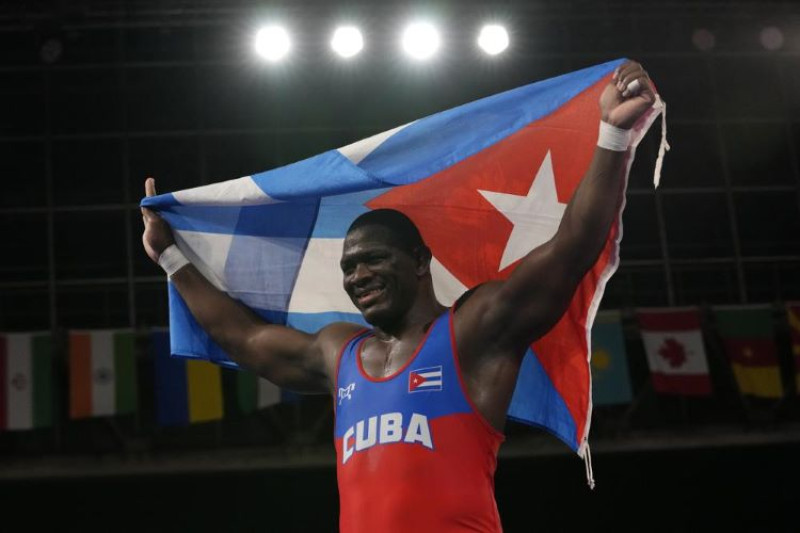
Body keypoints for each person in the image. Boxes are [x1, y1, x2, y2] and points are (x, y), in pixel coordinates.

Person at [141, 60, 655, 533]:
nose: (358, 275)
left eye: (374, 259)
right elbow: (246, 338)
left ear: (419, 261)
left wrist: (610, 135)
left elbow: (571, 249)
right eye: (348, 267)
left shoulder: (473, 332)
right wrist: (171, 259)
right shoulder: (339, 352)